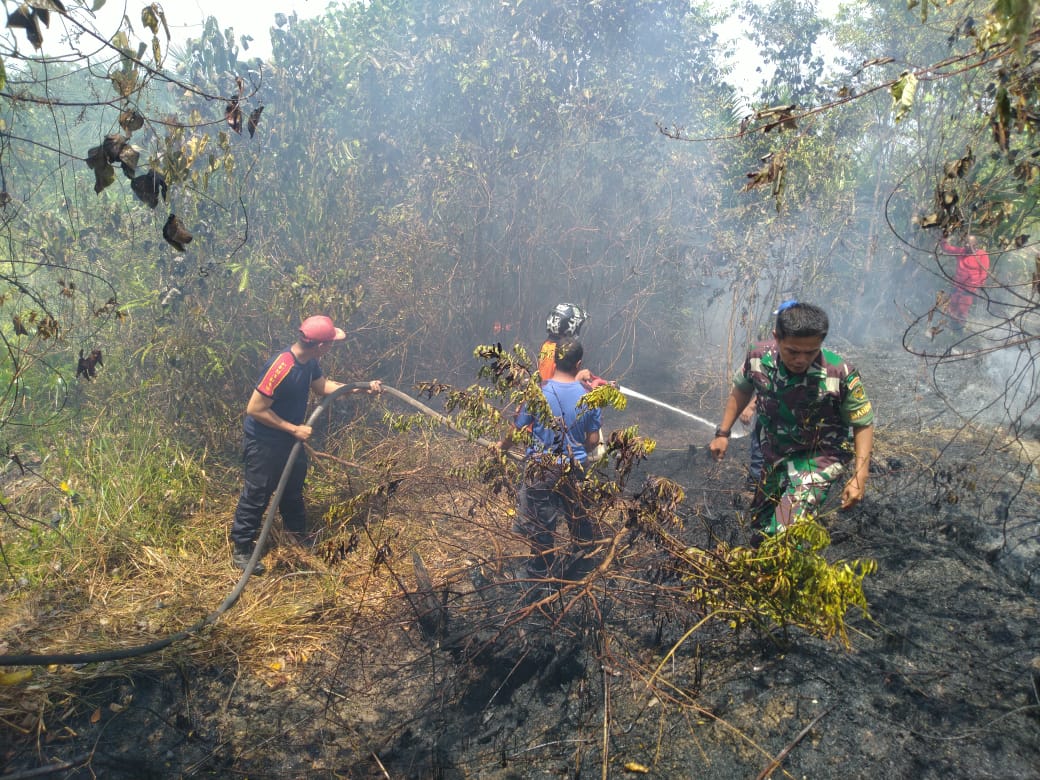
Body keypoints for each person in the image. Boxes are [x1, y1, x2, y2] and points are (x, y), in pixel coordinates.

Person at [709, 302, 874, 540]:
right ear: (777, 338)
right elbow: (741, 390)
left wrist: (860, 476)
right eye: (793, 351)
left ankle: (777, 570)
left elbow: (863, 423)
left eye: (810, 352)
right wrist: (722, 434)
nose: (800, 359)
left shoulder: (839, 373)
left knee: (784, 529)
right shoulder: (758, 358)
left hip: (819, 458)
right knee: (759, 525)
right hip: (775, 454)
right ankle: (764, 572)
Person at [230, 315, 382, 573]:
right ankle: (242, 549)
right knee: (257, 494)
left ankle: (298, 538)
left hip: (290, 440)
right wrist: (293, 428)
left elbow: (323, 387)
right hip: (264, 442)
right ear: (321, 345)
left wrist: (360, 388)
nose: (333, 346)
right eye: (331, 342)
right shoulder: (281, 367)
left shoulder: (310, 362)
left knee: (292, 489)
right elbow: (255, 409)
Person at [499, 336, 602, 578]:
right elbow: (593, 440)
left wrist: (501, 446)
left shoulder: (538, 393)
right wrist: (580, 449)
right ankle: (581, 568)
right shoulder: (590, 397)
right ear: (579, 364)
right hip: (575, 468)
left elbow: (515, 431)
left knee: (542, 527)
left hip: (541, 470)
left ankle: (540, 573)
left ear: (554, 361)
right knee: (578, 520)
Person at [539, 302, 608, 389]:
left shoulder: (549, 346)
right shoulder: (554, 351)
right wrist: (580, 380)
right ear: (569, 326)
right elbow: (550, 389)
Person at [939, 235, 990, 332]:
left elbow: (984, 273)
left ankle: (959, 331)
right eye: (965, 243)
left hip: (970, 288)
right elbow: (948, 248)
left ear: (975, 244)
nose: (966, 245)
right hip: (957, 285)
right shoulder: (961, 251)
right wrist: (943, 238)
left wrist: (978, 287)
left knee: (962, 310)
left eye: (969, 244)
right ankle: (951, 329)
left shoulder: (982, 255)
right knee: (952, 307)